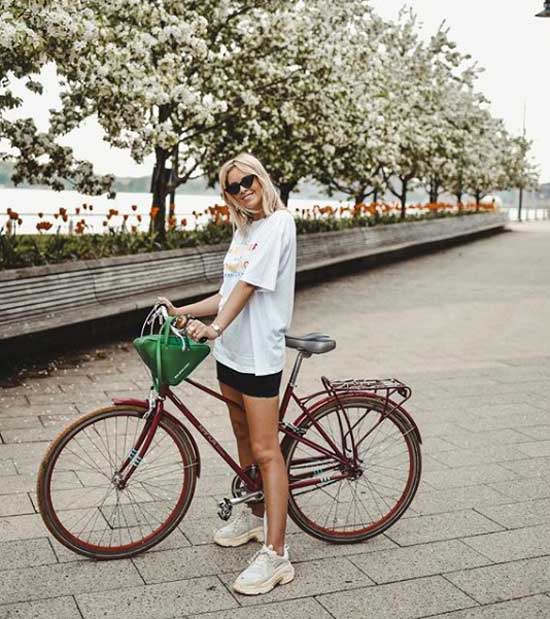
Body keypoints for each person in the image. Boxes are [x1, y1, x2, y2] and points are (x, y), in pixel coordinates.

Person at [158, 153, 297, 595]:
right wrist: (183, 311)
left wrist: (215, 327)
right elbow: (226, 293)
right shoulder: (243, 232)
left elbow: (251, 287)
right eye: (232, 187)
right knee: (243, 443)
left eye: (247, 180)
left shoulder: (279, 223)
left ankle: (276, 555)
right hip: (231, 353)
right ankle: (253, 518)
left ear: (261, 177)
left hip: (258, 354)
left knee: (266, 449)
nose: (242, 190)